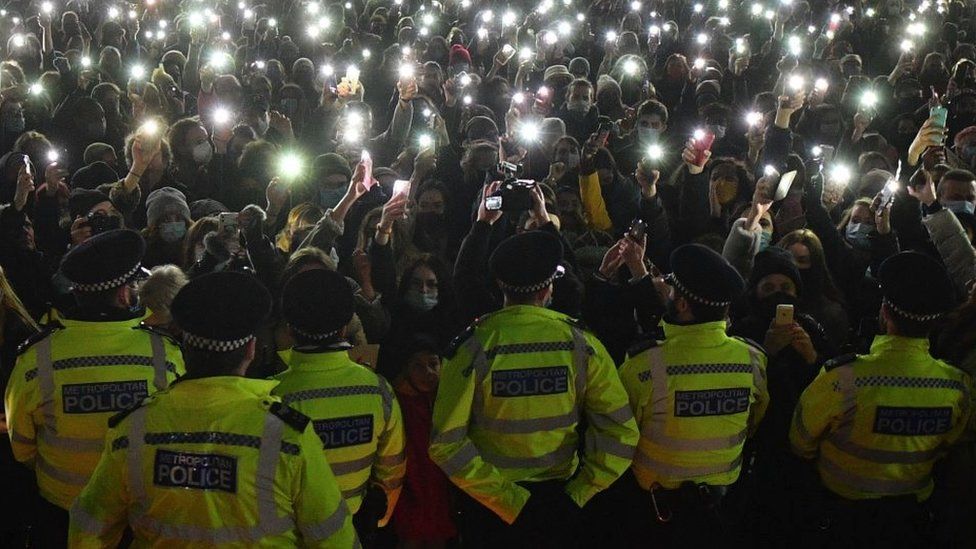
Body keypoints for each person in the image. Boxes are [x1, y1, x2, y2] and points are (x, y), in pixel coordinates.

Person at [68, 271, 359, 547]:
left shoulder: (131, 429)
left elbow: (89, 527)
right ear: (250, 350)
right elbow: (332, 537)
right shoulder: (289, 437)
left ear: (185, 347)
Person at [429, 230, 639, 548]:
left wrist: (508, 500)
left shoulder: (474, 345)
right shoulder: (582, 345)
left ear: (500, 285)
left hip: (489, 508)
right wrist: (579, 492)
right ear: (548, 288)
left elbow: (445, 444)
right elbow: (622, 434)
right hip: (561, 503)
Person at [4, 229, 185, 548]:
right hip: (138, 519)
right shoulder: (165, 356)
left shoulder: (36, 359)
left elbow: (21, 447)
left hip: (64, 517)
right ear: (124, 295)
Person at [790, 252, 972, 548]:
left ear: (885, 311)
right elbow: (947, 447)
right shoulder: (956, 387)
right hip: (911, 521)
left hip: (841, 516)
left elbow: (800, 442)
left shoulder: (843, 378)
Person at [616, 243, 769, 548]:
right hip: (721, 510)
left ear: (683, 305)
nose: (668, 296)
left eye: (672, 293)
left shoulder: (644, 364)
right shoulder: (752, 360)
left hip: (655, 513)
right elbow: (753, 423)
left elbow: (620, 435)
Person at [274, 269, 406, 544]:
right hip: (356, 529)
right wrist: (377, 520)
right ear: (346, 326)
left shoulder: (271, 397)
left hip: (292, 536)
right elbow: (392, 469)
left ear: (288, 328)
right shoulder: (377, 389)